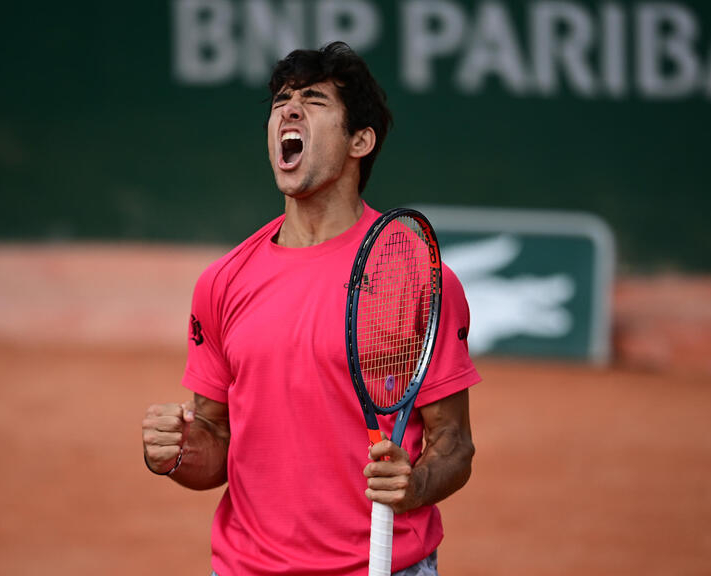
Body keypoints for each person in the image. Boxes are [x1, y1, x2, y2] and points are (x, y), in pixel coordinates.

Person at [142, 41, 481, 576]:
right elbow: (214, 443)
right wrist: (177, 451)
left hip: (382, 565)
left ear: (360, 141)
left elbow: (454, 443)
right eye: (281, 100)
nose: (289, 110)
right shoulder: (223, 281)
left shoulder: (416, 275)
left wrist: (414, 485)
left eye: (314, 100)